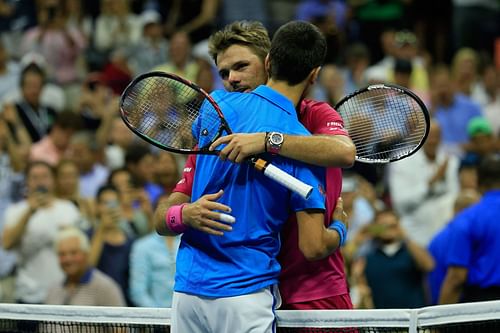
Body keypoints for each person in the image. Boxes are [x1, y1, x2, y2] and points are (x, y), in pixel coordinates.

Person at [155, 21, 350, 333]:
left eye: (242, 66)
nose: (232, 79)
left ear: (269, 61)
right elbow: (314, 246)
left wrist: (265, 140)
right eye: (224, 72)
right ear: (314, 74)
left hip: (191, 295)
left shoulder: (214, 110)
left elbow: (344, 151)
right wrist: (341, 226)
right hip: (244, 294)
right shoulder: (304, 148)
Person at [2, 161, 81, 304]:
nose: (40, 182)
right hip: (29, 294)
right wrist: (29, 212)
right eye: (34, 177)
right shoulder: (15, 211)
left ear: (53, 180)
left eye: (45, 176)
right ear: (27, 182)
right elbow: (6, 244)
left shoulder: (69, 209)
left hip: (63, 293)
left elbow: (80, 249)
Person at [439, 153, 500, 304]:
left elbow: (456, 277)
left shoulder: (468, 218)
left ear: (478, 182)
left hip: (484, 308)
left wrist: (437, 323)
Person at [45, 227, 126, 306]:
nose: (68, 259)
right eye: (62, 254)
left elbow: (121, 319)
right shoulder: (54, 289)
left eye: (74, 253)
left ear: (86, 254)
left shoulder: (105, 288)